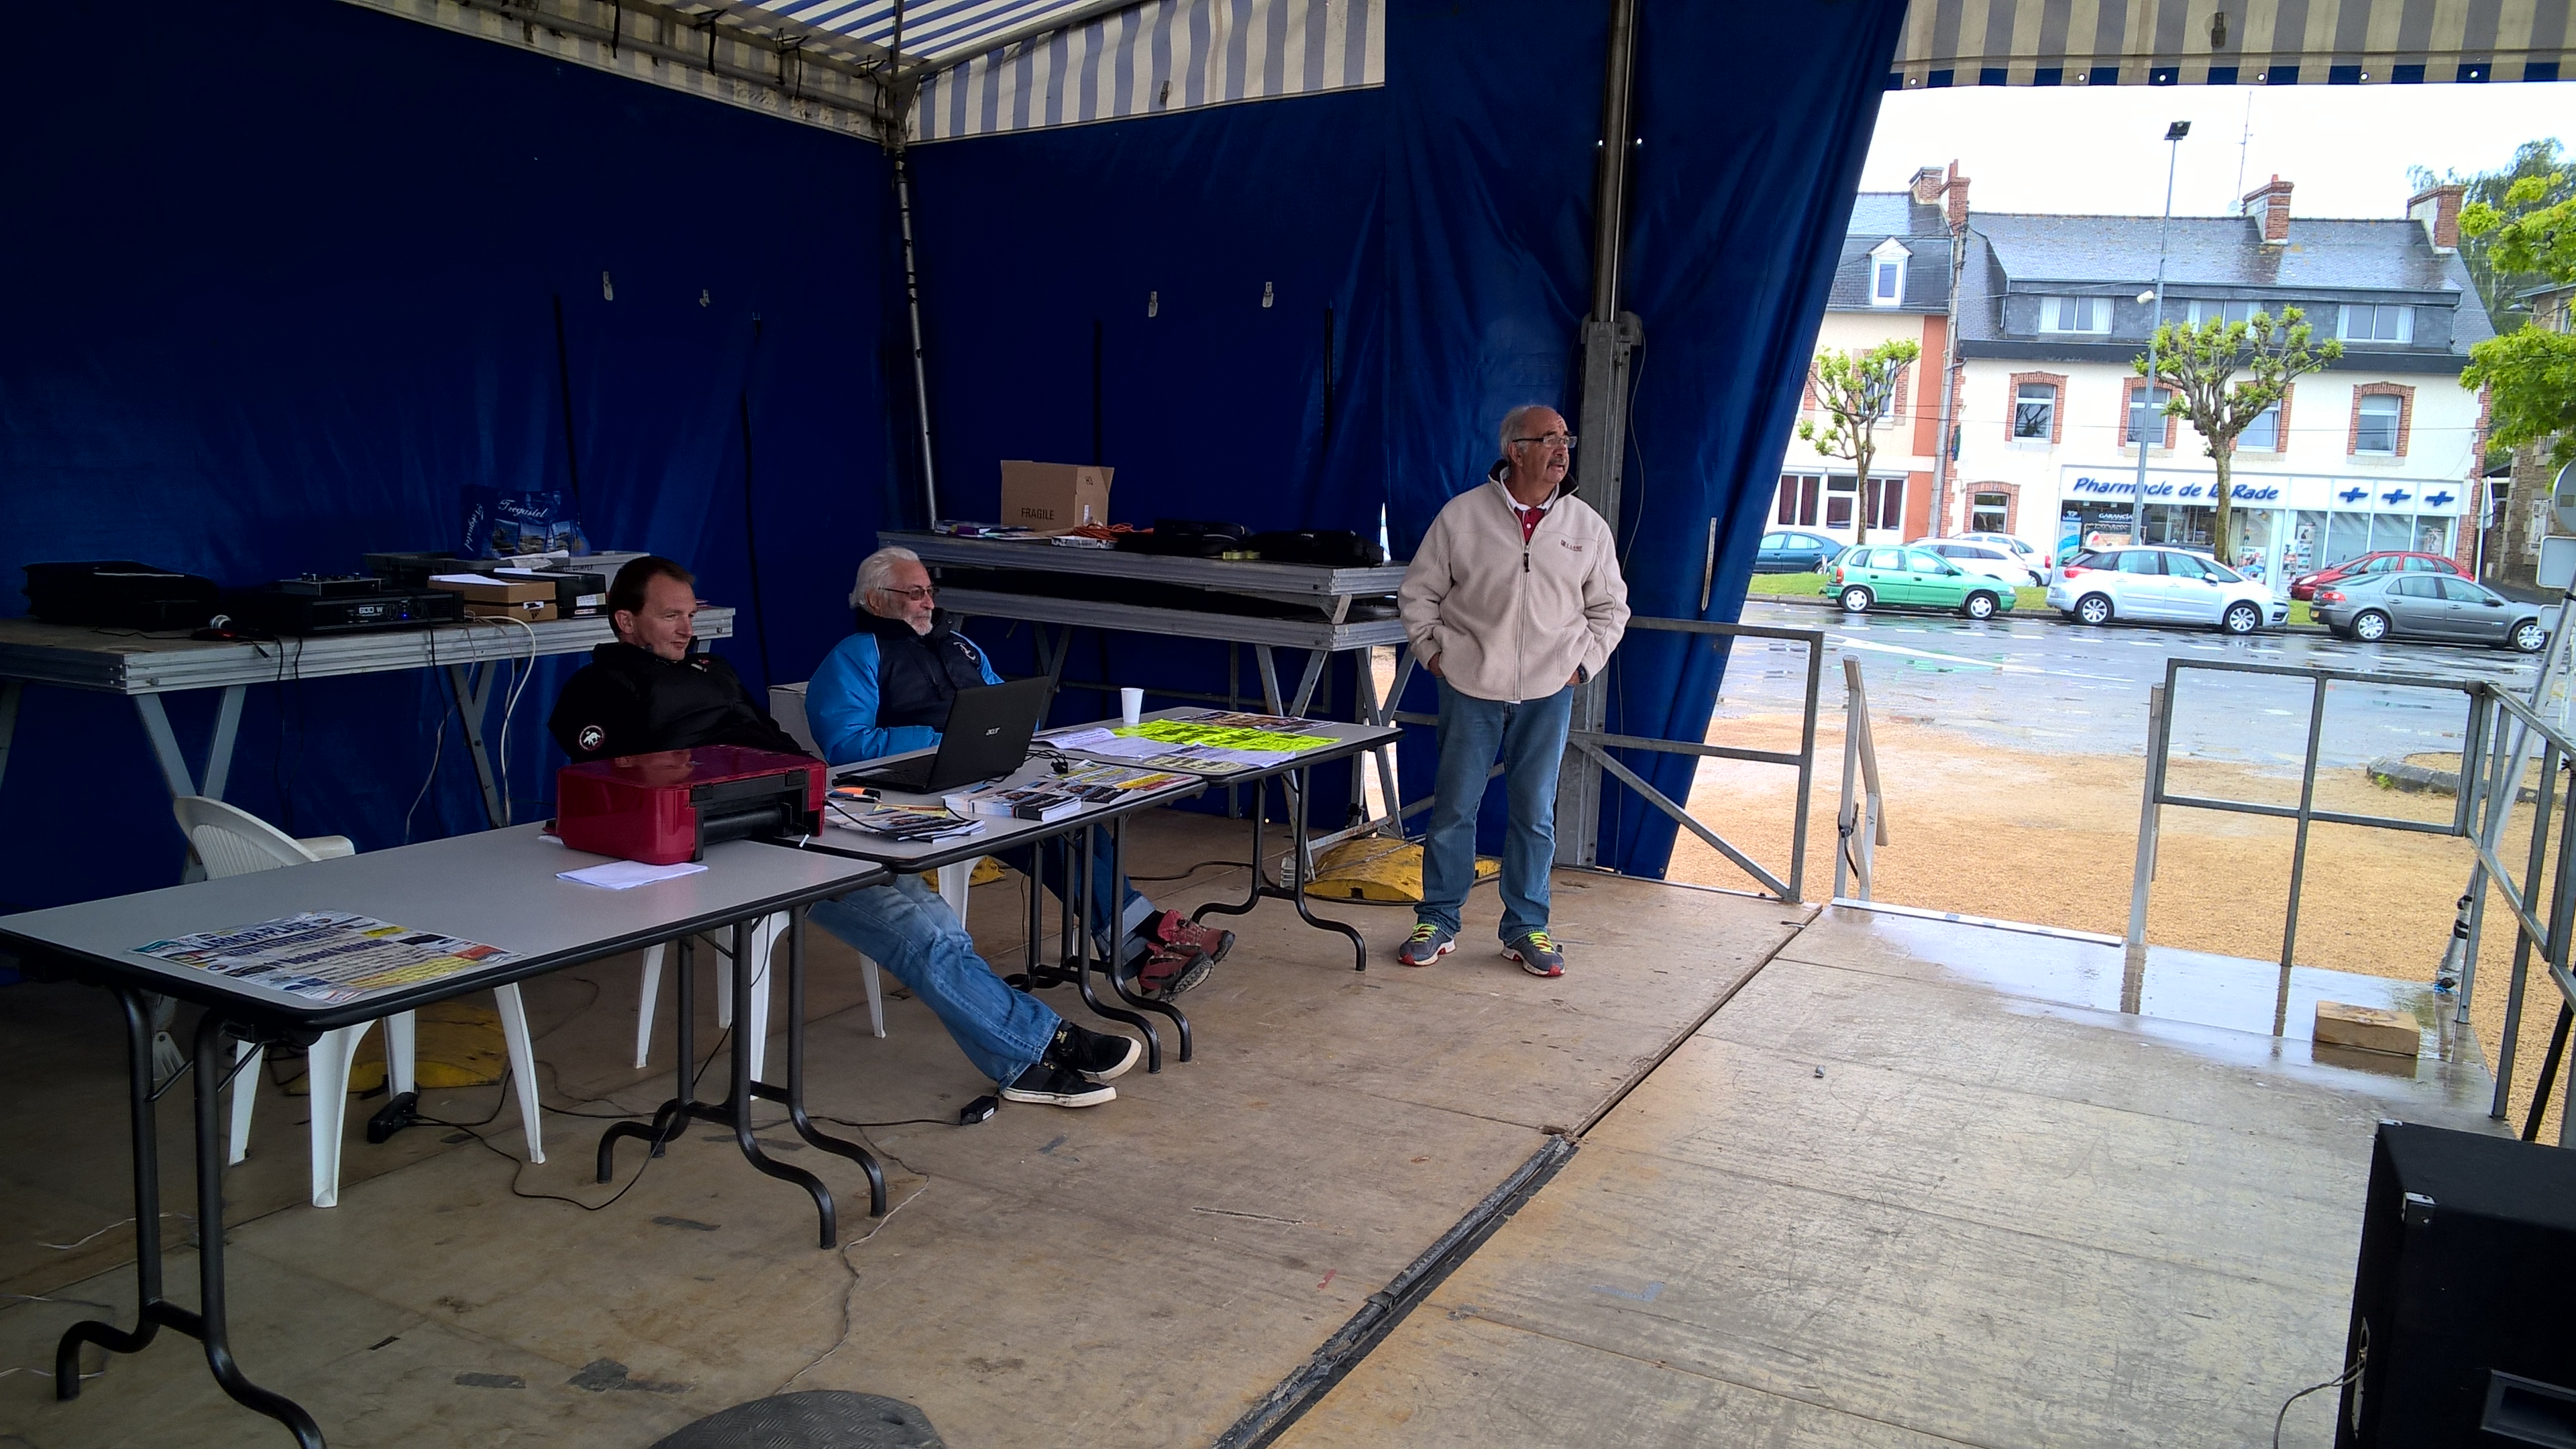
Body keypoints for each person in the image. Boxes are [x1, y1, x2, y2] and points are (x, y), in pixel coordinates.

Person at [549, 556, 1142, 1108]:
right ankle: (1046, 1044)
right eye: (669, 616)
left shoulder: (714, 669)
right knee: (920, 931)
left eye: (690, 613)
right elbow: (622, 780)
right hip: (726, 846)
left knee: (934, 921)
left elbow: (771, 743)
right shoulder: (597, 691)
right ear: (627, 622)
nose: (685, 628)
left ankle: (1023, 1057)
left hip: (795, 817)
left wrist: (812, 791)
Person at [806, 545, 1232, 997]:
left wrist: (1002, 734)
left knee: (1084, 825)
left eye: (930, 590)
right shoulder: (855, 655)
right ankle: (1144, 947)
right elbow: (846, 747)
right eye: (915, 593)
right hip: (912, 796)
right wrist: (942, 741)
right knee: (1054, 840)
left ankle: (1139, 944)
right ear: (876, 601)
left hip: (985, 778)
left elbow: (1011, 712)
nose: (929, 602)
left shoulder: (959, 645)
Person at [1395, 405, 1629, 977]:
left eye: (1565, 439)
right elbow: (1418, 593)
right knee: (1453, 809)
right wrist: (1433, 654)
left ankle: (1527, 927)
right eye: (1547, 439)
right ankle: (1439, 920)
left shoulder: (1585, 526)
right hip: (1470, 687)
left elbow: (1611, 607)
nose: (1561, 450)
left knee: (1534, 814)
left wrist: (1581, 666)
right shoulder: (1462, 517)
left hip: (1550, 691)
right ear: (1515, 450)